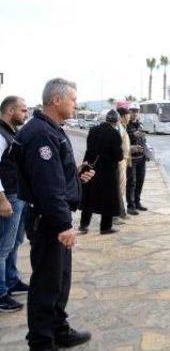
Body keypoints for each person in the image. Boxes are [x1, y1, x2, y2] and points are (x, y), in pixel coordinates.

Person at [15, 78, 95, 350]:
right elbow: (47, 186)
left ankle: (58, 329)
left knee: (60, 280)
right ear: (57, 100)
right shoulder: (41, 134)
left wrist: (77, 177)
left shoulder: (52, 129)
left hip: (52, 218)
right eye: (73, 99)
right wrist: (63, 224)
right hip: (49, 221)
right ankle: (41, 341)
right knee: (47, 284)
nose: (76, 104)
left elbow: (56, 177)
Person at [0, 96, 29, 313]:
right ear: (10, 111)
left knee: (16, 241)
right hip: (8, 197)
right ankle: (1, 293)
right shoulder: (1, 135)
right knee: (3, 247)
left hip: (17, 195)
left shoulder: (11, 133)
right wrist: (2, 199)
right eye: (23, 110)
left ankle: (11, 279)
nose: (26, 114)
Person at [79, 110, 123, 235]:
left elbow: (89, 149)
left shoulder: (93, 130)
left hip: (91, 167)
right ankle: (105, 227)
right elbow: (118, 156)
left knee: (89, 197)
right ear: (116, 121)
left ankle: (84, 224)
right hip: (107, 171)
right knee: (108, 199)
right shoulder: (114, 133)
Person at [126, 103, 147, 213]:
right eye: (132, 111)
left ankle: (137, 202)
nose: (134, 113)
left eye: (136, 111)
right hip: (131, 159)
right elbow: (124, 140)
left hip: (141, 158)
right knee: (131, 182)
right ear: (129, 112)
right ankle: (130, 205)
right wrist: (135, 134)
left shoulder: (140, 124)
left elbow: (144, 140)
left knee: (140, 181)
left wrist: (147, 152)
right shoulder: (126, 125)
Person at [115, 103, 133, 221]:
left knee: (122, 187)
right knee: (119, 189)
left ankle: (122, 212)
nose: (130, 117)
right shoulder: (118, 128)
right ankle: (116, 215)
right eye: (128, 115)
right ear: (122, 116)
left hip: (124, 161)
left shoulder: (123, 127)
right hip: (119, 162)